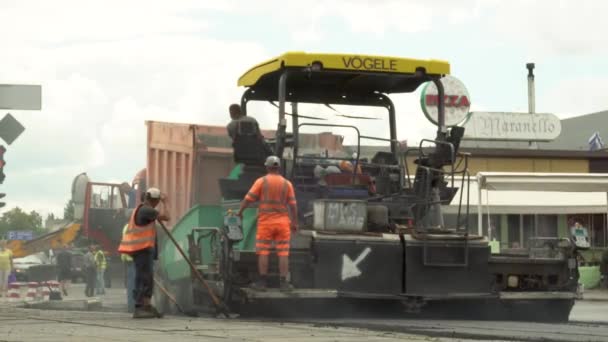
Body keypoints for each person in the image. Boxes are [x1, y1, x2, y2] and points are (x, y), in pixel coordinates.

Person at [237, 155, 298, 291]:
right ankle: (284, 283)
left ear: (267, 167)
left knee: (263, 252)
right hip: (283, 223)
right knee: (283, 253)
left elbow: (248, 199)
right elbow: (293, 205)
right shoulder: (287, 184)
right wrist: (294, 222)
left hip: (266, 222)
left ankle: (262, 283)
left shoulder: (261, 182)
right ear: (279, 168)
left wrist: (240, 212)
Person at [118, 187, 170, 319]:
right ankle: (140, 307)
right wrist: (165, 203)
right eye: (158, 201)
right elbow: (167, 217)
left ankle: (145, 306)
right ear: (154, 200)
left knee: (145, 278)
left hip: (141, 250)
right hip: (142, 249)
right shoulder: (146, 210)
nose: (158, 203)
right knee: (144, 278)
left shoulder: (141, 209)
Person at [120, 223, 136, 313]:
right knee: (135, 284)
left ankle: (131, 306)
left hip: (128, 258)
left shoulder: (126, 226)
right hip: (135, 259)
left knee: (131, 284)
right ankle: (134, 307)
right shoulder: (135, 226)